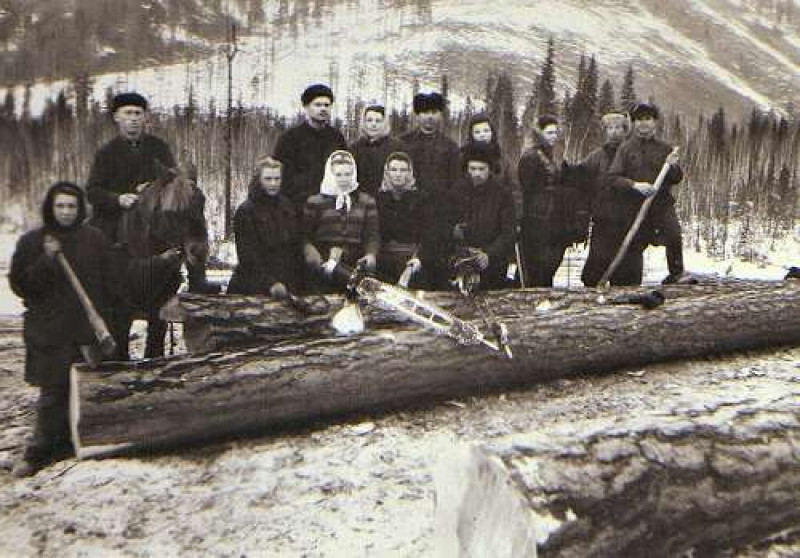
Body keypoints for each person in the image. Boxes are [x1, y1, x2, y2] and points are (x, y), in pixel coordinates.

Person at [9, 183, 117, 477]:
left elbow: (112, 281)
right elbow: (20, 285)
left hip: (83, 331)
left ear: (80, 208)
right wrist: (46, 259)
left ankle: (71, 444)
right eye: (60, 206)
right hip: (49, 331)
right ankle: (38, 451)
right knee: (53, 393)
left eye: (71, 206)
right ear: (51, 208)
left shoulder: (94, 239)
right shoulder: (34, 241)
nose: (66, 212)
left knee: (82, 391)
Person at [606, 102, 683, 286]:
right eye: (639, 120)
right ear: (633, 123)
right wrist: (634, 185)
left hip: (661, 205)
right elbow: (613, 178)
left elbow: (677, 178)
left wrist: (672, 166)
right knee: (633, 247)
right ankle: (630, 286)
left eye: (647, 119)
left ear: (655, 122)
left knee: (673, 235)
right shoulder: (625, 149)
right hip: (634, 207)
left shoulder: (665, 149)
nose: (643, 123)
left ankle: (677, 274)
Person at [86, 92, 175, 244]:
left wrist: (153, 187)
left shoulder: (159, 147)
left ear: (145, 117)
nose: (133, 118)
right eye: (128, 113)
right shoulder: (106, 153)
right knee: (100, 246)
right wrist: (118, 199)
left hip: (155, 220)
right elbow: (93, 192)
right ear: (116, 117)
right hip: (114, 220)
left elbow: (173, 180)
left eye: (138, 113)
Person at [302, 150, 380, 289]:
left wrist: (371, 254)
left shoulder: (366, 201)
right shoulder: (315, 202)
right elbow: (304, 236)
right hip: (324, 260)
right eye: (338, 175)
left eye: (348, 174)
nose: (344, 179)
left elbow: (372, 235)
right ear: (330, 175)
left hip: (355, 261)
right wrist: (312, 252)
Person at [227, 157, 304, 297]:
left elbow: (294, 248)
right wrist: (270, 284)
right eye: (268, 179)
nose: (273, 183)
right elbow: (247, 257)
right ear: (259, 180)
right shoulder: (246, 211)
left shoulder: (287, 207)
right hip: (253, 286)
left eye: (277, 178)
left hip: (286, 284)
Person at [444, 143, 515, 291]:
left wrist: (489, 254)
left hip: (493, 262)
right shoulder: (456, 192)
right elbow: (444, 224)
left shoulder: (503, 194)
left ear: (490, 169)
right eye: (473, 169)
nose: (477, 173)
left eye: (481, 169)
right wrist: (453, 231)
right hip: (461, 261)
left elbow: (508, 233)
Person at [580, 112, 639, 286]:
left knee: (628, 275)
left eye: (618, 128)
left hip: (629, 222)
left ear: (625, 130)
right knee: (594, 273)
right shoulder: (596, 157)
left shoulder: (633, 155)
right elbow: (580, 179)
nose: (614, 132)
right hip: (603, 222)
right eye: (610, 128)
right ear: (605, 131)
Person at [518, 114, 577, 287]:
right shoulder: (530, 157)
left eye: (555, 132)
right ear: (540, 133)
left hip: (554, 216)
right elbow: (525, 188)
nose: (553, 136)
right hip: (537, 216)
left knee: (551, 261)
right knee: (538, 263)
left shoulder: (553, 155)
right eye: (549, 132)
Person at [273, 84, 347, 209]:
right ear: (306, 107)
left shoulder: (337, 137)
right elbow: (282, 177)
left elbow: (346, 170)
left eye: (327, 105)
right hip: (297, 208)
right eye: (317, 105)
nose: (323, 109)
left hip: (331, 208)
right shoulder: (289, 139)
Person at [374, 152, 432, 287]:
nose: (398, 174)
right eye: (393, 170)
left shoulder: (422, 199)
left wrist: (418, 259)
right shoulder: (377, 198)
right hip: (383, 259)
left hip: (413, 259)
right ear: (387, 172)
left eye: (403, 170)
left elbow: (429, 234)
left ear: (410, 172)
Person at [400, 92, 461, 200]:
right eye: (425, 112)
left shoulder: (450, 146)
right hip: (409, 205)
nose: (430, 116)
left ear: (440, 115)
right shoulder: (403, 142)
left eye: (434, 112)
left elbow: (455, 182)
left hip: (439, 206)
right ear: (418, 115)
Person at [349, 105, 405, 197]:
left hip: (389, 199)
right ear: (364, 122)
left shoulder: (397, 147)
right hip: (361, 201)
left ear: (384, 123)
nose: (373, 124)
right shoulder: (354, 148)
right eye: (369, 120)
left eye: (378, 121)